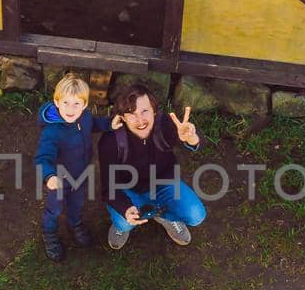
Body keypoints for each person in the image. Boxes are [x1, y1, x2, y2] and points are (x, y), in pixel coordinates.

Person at [98, 81, 207, 251]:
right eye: (131, 114)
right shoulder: (110, 142)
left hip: (164, 183)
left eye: (144, 111)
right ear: (122, 117)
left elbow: (194, 142)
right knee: (124, 223)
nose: (140, 120)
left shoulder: (166, 125)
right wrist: (125, 208)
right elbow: (108, 188)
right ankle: (122, 225)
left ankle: (165, 216)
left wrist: (192, 139)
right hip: (129, 190)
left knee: (196, 215)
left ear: (154, 110)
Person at [34, 74, 114, 261]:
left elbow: (94, 124)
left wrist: (110, 123)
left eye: (77, 104)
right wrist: (49, 176)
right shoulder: (52, 131)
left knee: (77, 202)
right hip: (59, 180)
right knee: (54, 208)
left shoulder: (84, 117)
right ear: (56, 102)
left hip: (80, 173)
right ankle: (49, 233)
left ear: (85, 104)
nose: (71, 109)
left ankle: (74, 223)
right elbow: (42, 158)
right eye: (66, 103)